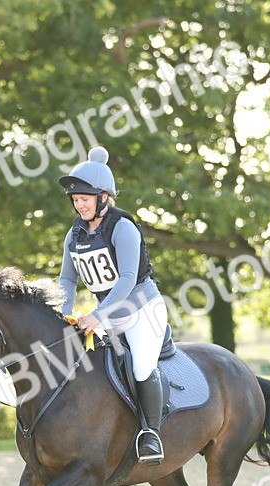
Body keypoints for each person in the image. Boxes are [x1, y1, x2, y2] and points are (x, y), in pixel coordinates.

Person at [58, 146, 170, 463]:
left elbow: (127, 278)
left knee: (141, 366)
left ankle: (151, 434)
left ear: (104, 197)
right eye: (75, 200)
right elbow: (67, 279)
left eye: (85, 199)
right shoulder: (74, 234)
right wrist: (64, 311)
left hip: (142, 310)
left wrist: (97, 315)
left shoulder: (123, 227)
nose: (79, 205)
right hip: (107, 316)